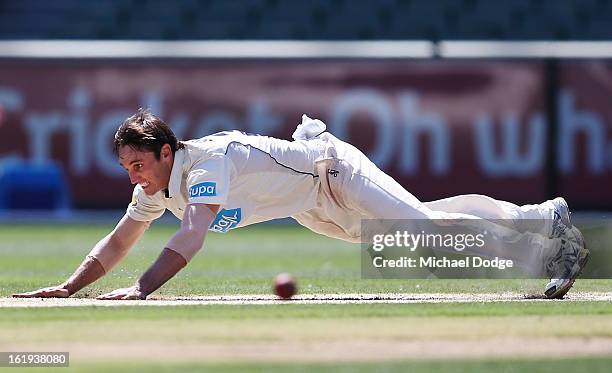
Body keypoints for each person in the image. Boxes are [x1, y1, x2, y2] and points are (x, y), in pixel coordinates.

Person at [13, 109, 589, 300]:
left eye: (138, 164)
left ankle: (545, 238)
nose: (133, 178)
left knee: (421, 232)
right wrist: (71, 286)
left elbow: (191, 234)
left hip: (331, 170)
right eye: (126, 169)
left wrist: (142, 289)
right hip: (313, 208)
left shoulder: (205, 163)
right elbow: (118, 240)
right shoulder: (153, 189)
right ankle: (540, 218)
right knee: (426, 223)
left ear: (167, 151)